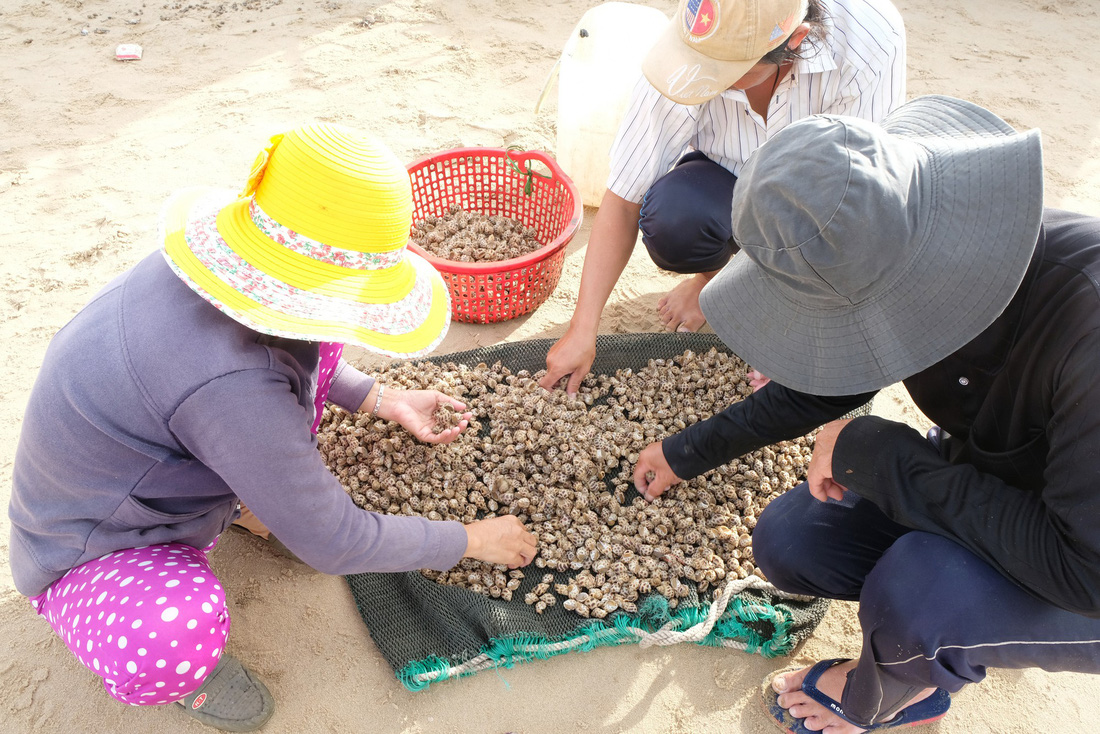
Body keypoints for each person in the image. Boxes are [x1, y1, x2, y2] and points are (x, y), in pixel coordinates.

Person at [8, 124, 537, 732]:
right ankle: (186, 677)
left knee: (312, 361)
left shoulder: (214, 282)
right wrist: (469, 539)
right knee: (171, 633)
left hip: (157, 467)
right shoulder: (232, 389)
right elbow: (335, 543)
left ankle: (239, 508)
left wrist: (380, 397)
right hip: (92, 545)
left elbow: (307, 352)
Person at [631, 95, 1100, 732]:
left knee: (918, 589)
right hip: (1018, 487)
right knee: (794, 539)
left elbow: (1085, 573)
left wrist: (874, 453)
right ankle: (962, 629)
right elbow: (834, 381)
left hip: (1088, 570)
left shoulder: (1088, 332)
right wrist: (687, 451)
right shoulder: (930, 256)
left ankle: (895, 700)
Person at [541, 0, 906, 395]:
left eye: (724, 71)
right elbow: (624, 196)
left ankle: (741, 296)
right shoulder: (687, 51)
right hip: (723, 178)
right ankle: (715, 282)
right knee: (674, 219)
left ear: (796, 40)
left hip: (820, 190)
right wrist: (583, 329)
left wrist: (786, 338)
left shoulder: (870, 38)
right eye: (698, 60)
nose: (701, 76)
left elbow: (861, 203)